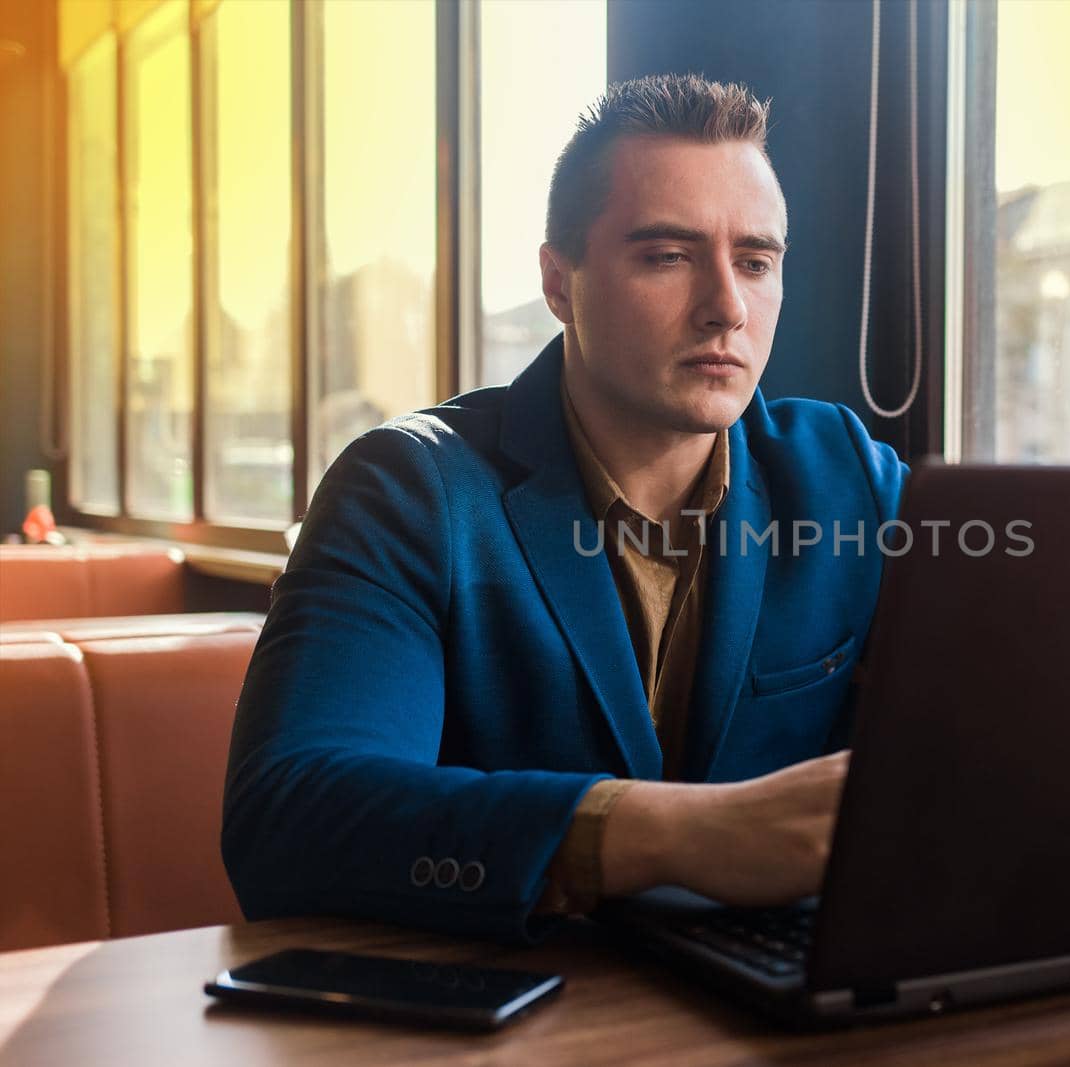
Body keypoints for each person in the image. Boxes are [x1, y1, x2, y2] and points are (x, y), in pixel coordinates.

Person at [221, 74, 906, 943]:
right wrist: (686, 833)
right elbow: (287, 819)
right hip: (513, 1015)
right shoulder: (408, 490)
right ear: (558, 281)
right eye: (667, 256)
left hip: (771, 1003)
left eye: (756, 262)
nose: (727, 307)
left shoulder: (846, 473)